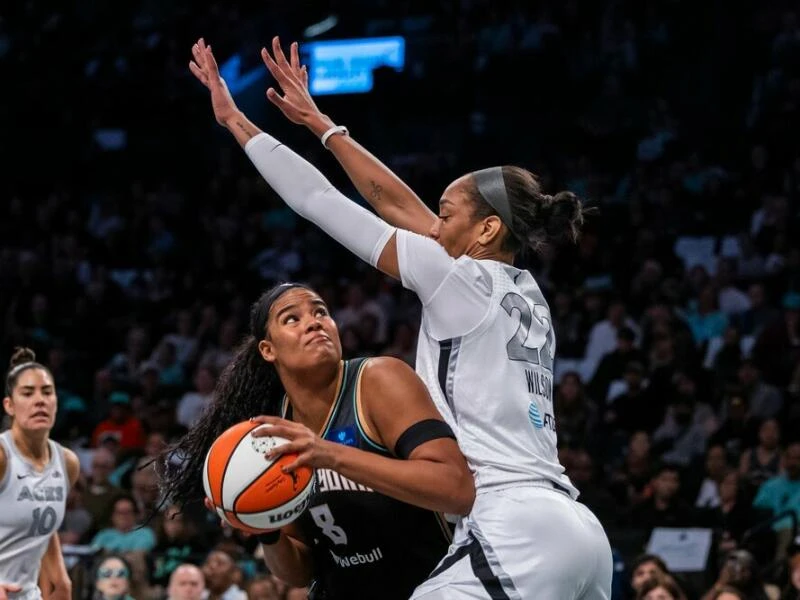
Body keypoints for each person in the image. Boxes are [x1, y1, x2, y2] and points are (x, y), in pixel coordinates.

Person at [187, 36, 612, 598]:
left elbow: (320, 201)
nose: (433, 226)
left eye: (446, 214)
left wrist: (240, 125)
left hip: (513, 523)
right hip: (576, 531)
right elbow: (394, 204)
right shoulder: (521, 288)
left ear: (486, 231)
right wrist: (324, 126)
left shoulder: (459, 280)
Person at [158, 283, 474, 599]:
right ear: (268, 350)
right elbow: (301, 569)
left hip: (430, 588)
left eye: (320, 311)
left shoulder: (378, 380)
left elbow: (456, 489)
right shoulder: (273, 430)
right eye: (291, 319)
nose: (314, 322)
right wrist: (265, 531)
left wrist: (330, 455)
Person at [0, 347, 80, 600]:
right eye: (27, 393)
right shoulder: (2, 457)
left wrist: (61, 580)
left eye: (47, 392)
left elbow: (40, 524)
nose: (40, 400)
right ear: (9, 405)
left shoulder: (67, 463)